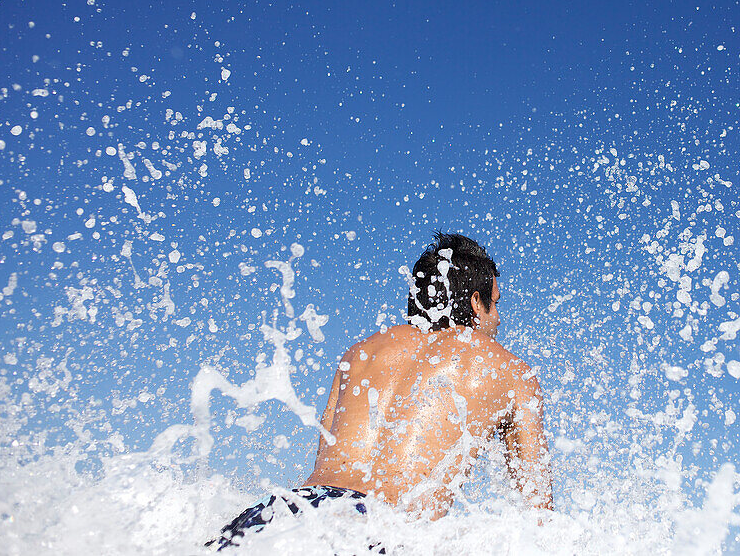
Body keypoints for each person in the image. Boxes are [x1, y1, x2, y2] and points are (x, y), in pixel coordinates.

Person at [207, 232, 553, 550]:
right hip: (379, 529)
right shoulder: (510, 371)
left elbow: (328, 470)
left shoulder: (361, 354)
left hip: (283, 515)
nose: (498, 318)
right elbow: (539, 519)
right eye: (496, 302)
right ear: (477, 303)